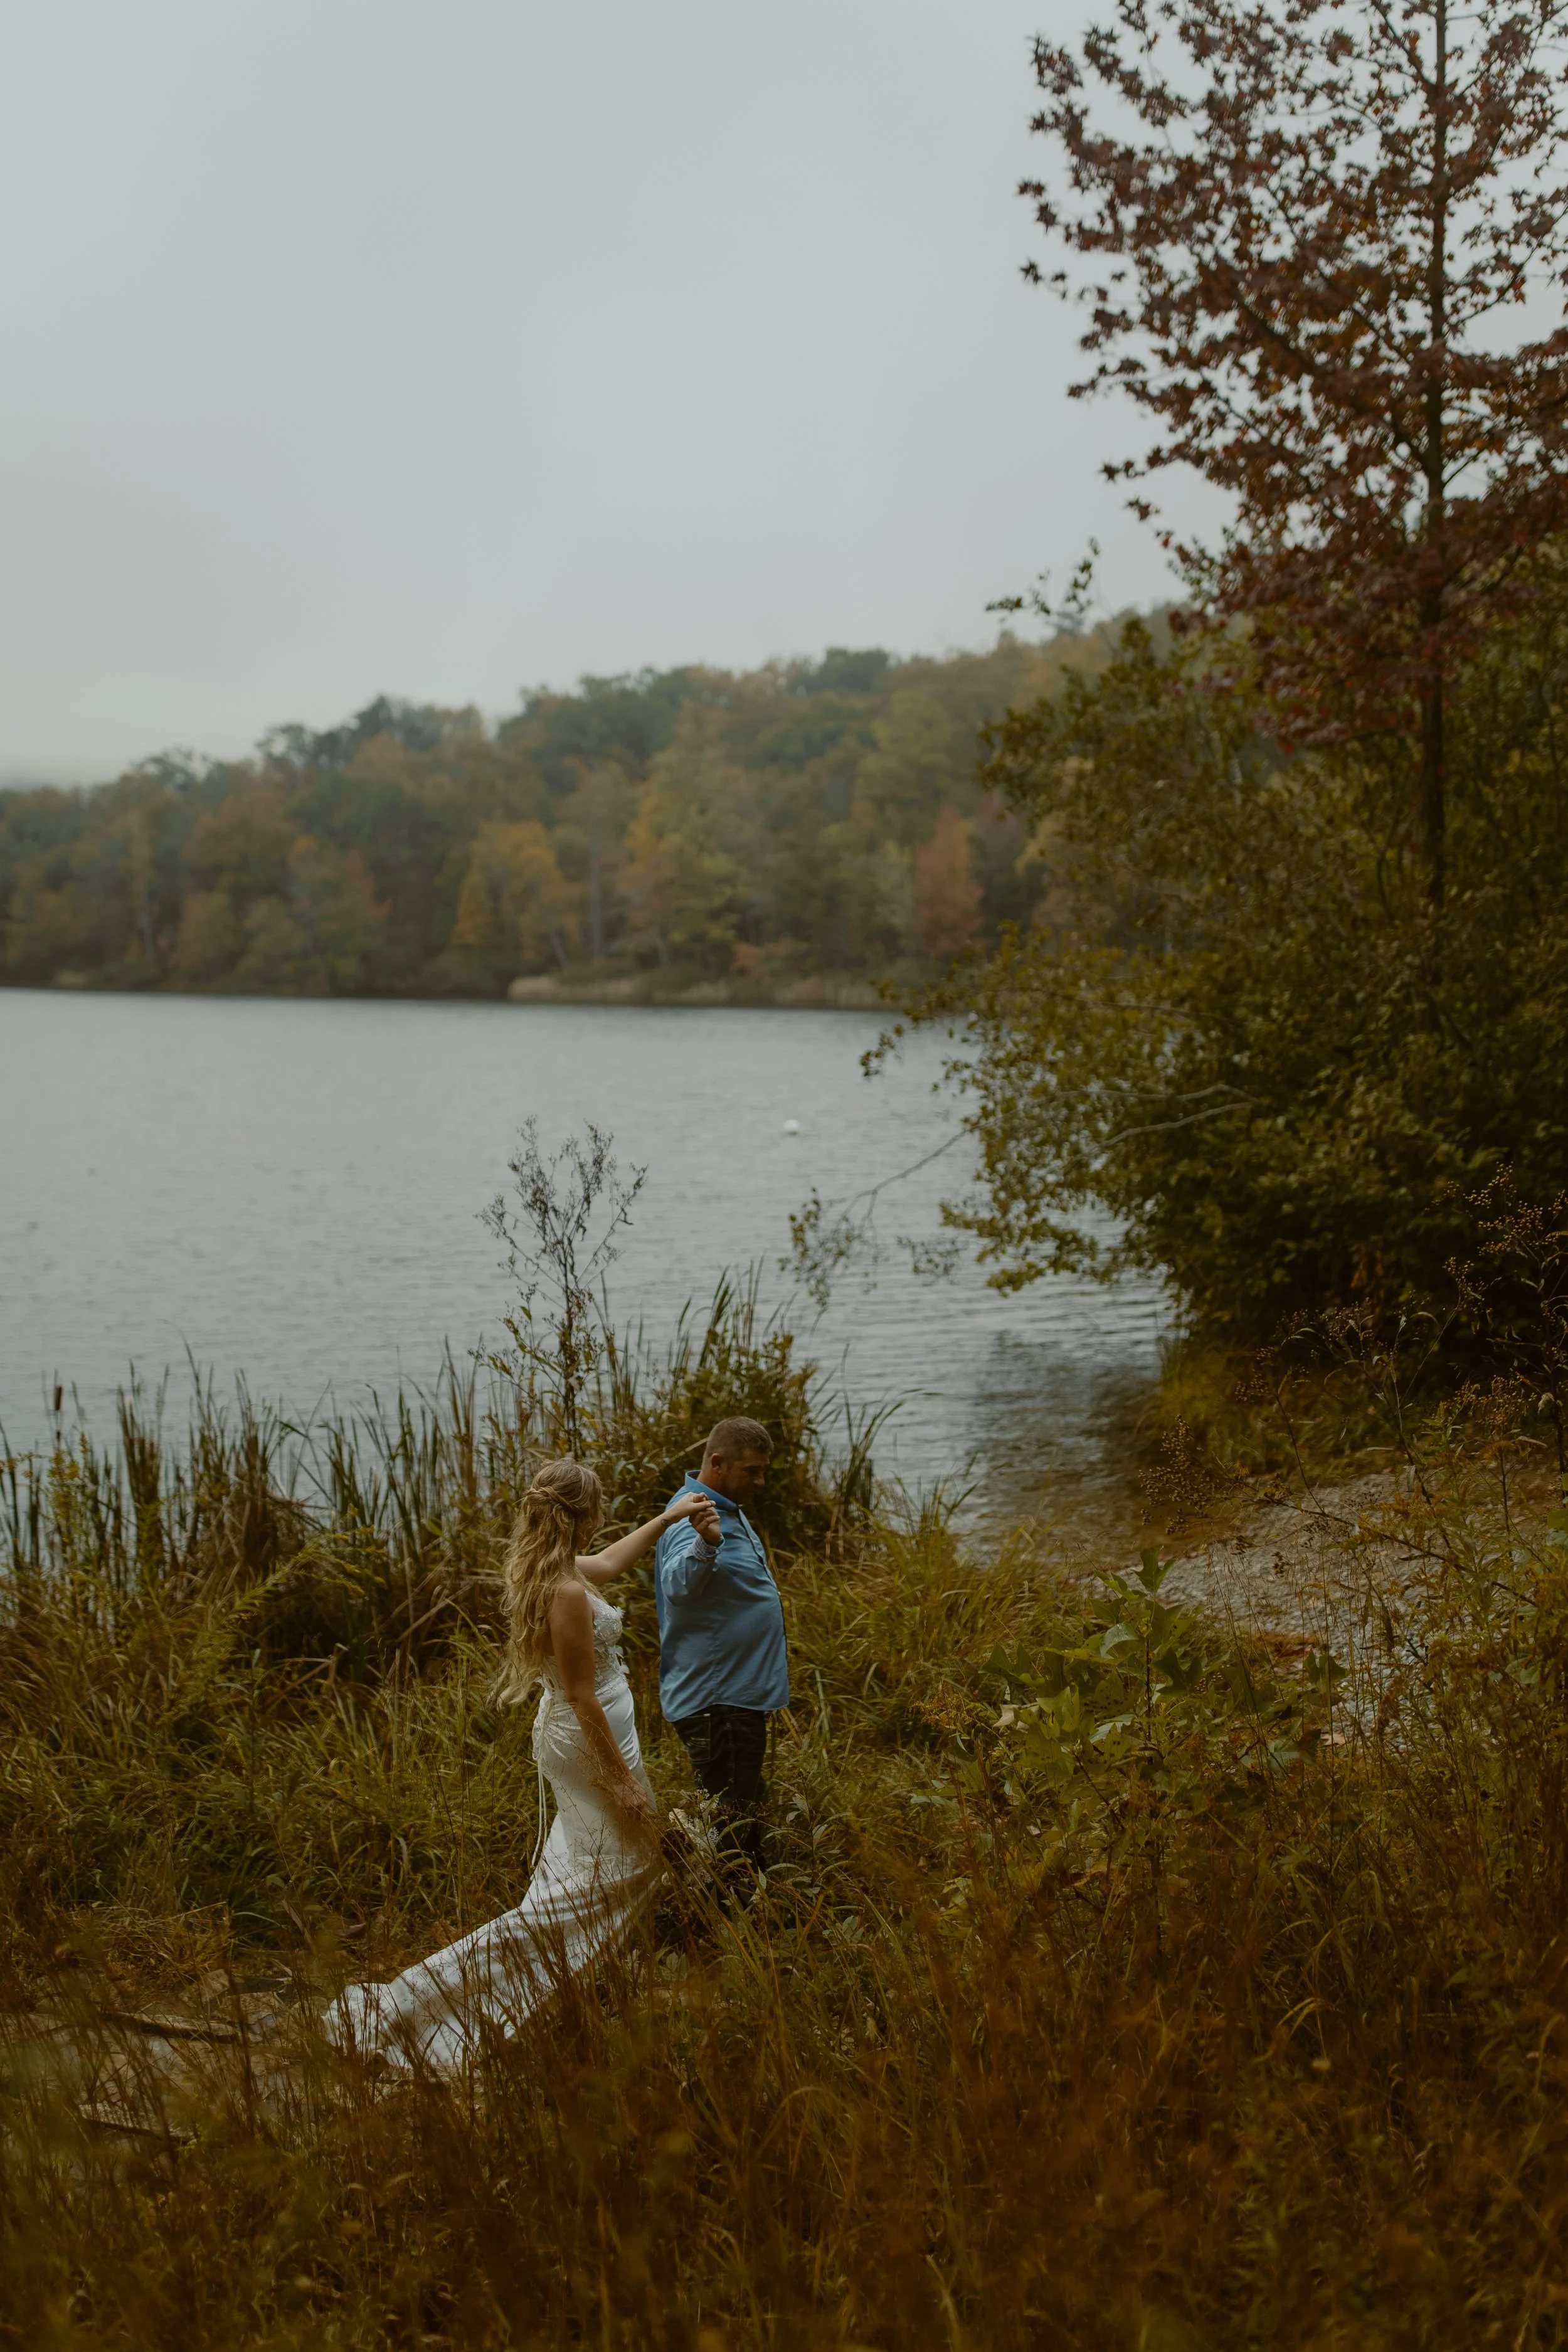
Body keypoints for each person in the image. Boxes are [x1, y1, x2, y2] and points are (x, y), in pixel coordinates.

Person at [327, 1456, 721, 2074]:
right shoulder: (564, 1590)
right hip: (588, 1746)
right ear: (578, 1513)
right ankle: (420, 2002)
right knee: (629, 1865)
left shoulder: (563, 1572)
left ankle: (552, 1990)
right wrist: (620, 1779)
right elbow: (582, 1694)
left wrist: (670, 1518)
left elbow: (614, 1561)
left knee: (588, 1866)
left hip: (586, 1741)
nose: (600, 1516)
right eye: (595, 1506)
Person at [655, 1416, 790, 1878]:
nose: (761, 1481)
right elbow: (675, 1584)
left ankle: (747, 1908)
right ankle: (732, 1921)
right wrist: (706, 1544)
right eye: (752, 1471)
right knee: (731, 1821)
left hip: (734, 1697)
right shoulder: (693, 1514)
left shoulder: (724, 1506)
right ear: (717, 1462)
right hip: (718, 1703)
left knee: (740, 1809)